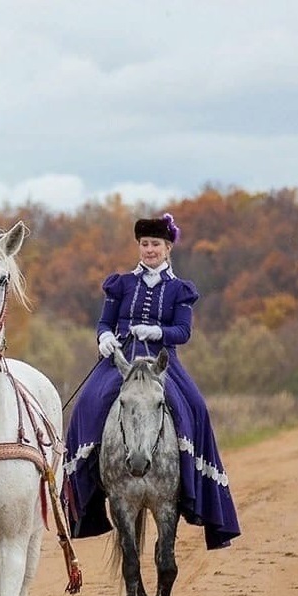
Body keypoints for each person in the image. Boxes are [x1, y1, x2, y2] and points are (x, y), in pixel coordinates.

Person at [62, 213, 240, 549]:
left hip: (162, 362)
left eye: (155, 244)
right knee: (89, 403)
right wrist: (104, 339)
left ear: (168, 247)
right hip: (121, 360)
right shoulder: (121, 284)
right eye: (144, 244)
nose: (149, 250)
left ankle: (190, 485)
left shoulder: (179, 289)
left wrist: (158, 331)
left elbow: (183, 332)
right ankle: (86, 489)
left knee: (196, 409)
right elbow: (104, 322)